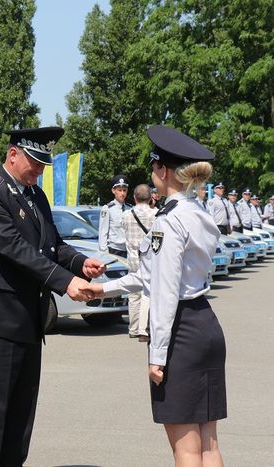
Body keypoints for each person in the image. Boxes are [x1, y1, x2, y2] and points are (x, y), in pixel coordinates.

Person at [0, 127, 105, 466]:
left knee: (21, 412)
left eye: (43, 164)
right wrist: (65, 282)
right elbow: (14, 248)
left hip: (30, 318)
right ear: (13, 155)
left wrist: (80, 263)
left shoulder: (35, 195)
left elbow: (52, 244)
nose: (39, 171)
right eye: (35, 163)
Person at [87, 125, 226, 466]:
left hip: (181, 331)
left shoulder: (169, 220)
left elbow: (164, 293)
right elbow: (149, 275)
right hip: (205, 323)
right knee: (209, 445)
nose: (151, 174)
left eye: (153, 167)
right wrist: (102, 289)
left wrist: (157, 356)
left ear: (163, 171)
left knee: (186, 449)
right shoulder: (199, 211)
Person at [121, 184, 155, 341]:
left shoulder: (126, 215)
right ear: (150, 198)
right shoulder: (156, 214)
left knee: (134, 295)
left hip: (133, 259)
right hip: (150, 259)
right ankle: (144, 328)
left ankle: (133, 328)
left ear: (134, 197)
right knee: (148, 293)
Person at [98, 174, 131, 257]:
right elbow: (103, 232)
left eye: (124, 190)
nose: (122, 193)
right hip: (114, 250)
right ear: (113, 191)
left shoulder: (130, 208)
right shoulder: (108, 209)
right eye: (119, 190)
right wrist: (104, 251)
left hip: (128, 250)